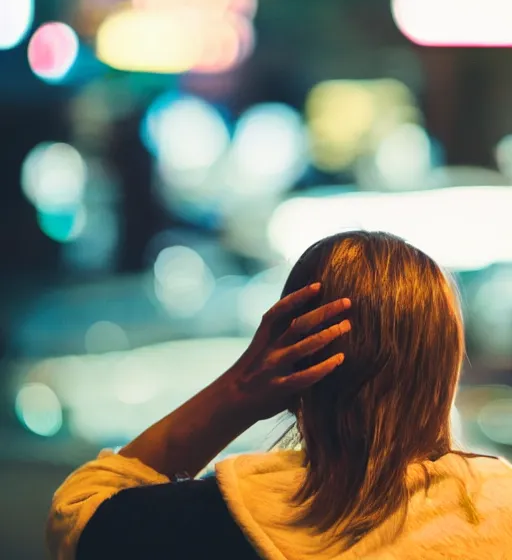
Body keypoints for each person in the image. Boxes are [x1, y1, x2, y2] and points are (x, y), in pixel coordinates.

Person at [47, 231, 512, 560]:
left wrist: (238, 390)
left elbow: (78, 514)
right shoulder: (497, 510)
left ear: (290, 370)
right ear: (443, 372)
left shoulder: (222, 518)